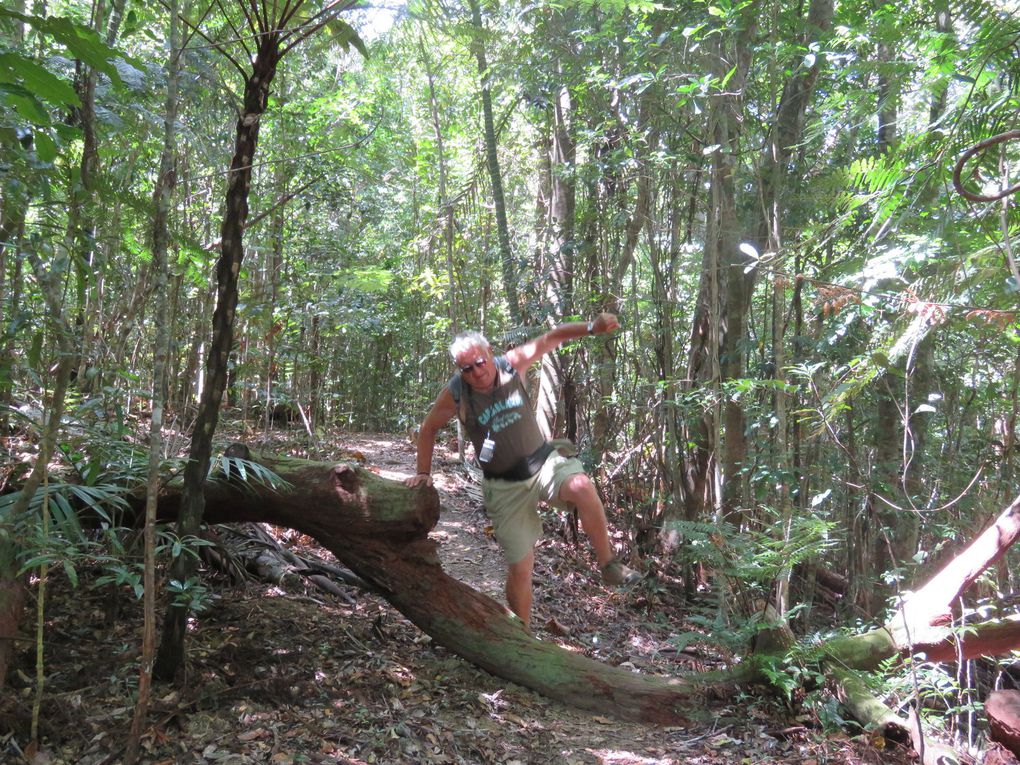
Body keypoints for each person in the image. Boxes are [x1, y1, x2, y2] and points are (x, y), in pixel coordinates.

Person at [404, 313, 640, 627]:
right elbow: (429, 428)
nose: (477, 371)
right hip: (504, 486)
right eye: (467, 368)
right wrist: (423, 472)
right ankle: (524, 637)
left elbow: (551, 338)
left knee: (582, 486)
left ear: (489, 353)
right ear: (459, 370)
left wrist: (590, 328)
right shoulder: (457, 392)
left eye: (480, 362)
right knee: (521, 568)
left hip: (543, 463)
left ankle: (608, 564)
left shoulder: (510, 365)